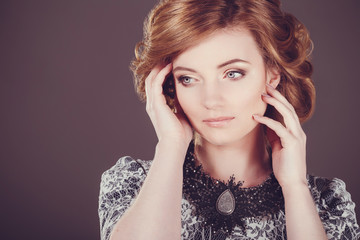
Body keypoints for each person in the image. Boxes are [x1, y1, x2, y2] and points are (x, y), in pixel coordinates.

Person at [98, 0, 360, 239]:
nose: (211, 100)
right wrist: (170, 145)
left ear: (272, 74)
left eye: (233, 73)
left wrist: (295, 188)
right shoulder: (131, 183)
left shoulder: (327, 202)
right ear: (168, 84)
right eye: (187, 78)